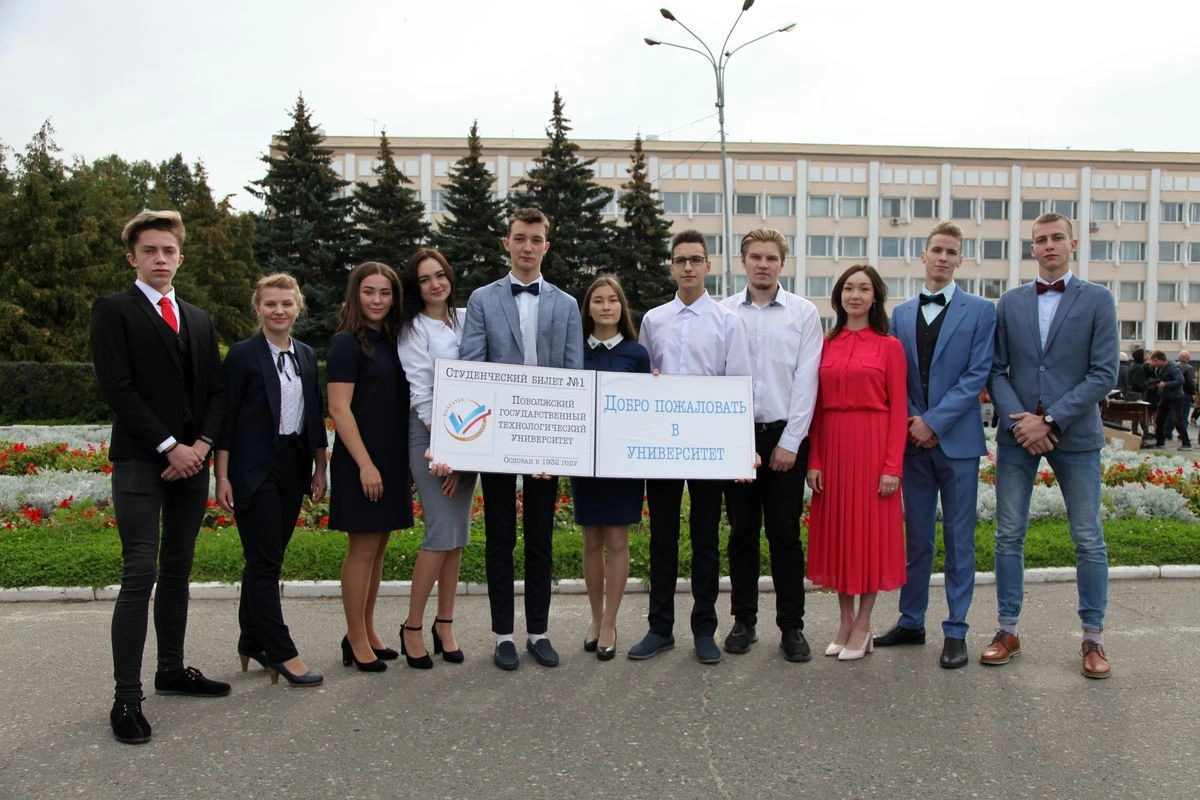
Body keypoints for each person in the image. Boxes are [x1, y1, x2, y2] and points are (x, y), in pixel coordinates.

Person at [90, 210, 228, 744]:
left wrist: (200, 447)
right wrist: (170, 446)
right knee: (139, 572)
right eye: (150, 251)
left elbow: (215, 392)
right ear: (133, 258)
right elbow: (118, 388)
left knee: (178, 569)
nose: (160, 259)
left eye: (169, 251)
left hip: (192, 462)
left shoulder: (197, 318)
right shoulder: (114, 311)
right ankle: (126, 698)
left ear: (181, 258)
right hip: (140, 460)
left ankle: (171, 669)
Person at [985, 212, 1119, 679]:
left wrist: (1050, 420)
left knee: (1087, 537)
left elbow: (1104, 373)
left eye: (1057, 237)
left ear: (1073, 244)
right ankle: (1007, 630)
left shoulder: (1098, 299)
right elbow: (996, 370)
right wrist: (1023, 422)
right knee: (1008, 535)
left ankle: (1093, 637)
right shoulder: (1010, 303)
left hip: (1075, 435)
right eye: (1040, 239)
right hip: (1018, 435)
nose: (1048, 245)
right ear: (1032, 248)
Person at [459, 208, 584, 671]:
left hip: (545, 437)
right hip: (498, 436)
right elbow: (472, 367)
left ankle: (538, 632)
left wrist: (562, 445)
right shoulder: (482, 299)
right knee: (499, 538)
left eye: (535, 239)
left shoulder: (566, 304)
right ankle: (503, 635)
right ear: (507, 244)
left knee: (539, 539)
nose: (527, 246)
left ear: (546, 246)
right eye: (519, 238)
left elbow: (572, 375)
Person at [874, 222, 995, 669]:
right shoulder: (902, 314)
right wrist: (914, 421)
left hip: (957, 443)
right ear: (923, 256)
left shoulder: (981, 311)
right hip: (912, 441)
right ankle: (911, 621)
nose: (943, 257)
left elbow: (977, 374)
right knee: (917, 538)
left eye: (951, 251)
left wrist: (934, 422)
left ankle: (956, 630)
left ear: (960, 260)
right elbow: (895, 375)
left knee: (960, 540)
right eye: (936, 250)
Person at [629, 230, 752, 665]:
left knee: (705, 540)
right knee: (662, 538)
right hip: (663, 446)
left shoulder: (728, 322)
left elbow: (739, 386)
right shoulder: (654, 320)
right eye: (680, 259)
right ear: (671, 266)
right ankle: (660, 628)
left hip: (707, 446)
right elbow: (642, 380)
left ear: (708, 266)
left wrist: (740, 449)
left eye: (695, 259)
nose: (687, 267)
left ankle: (704, 629)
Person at [214, 273, 327, 687]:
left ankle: (251, 639)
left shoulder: (306, 355)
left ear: (298, 308)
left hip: (292, 467)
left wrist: (320, 467)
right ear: (258, 307)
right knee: (264, 562)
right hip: (252, 469)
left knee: (268, 557)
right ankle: (281, 650)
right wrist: (222, 475)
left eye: (286, 304)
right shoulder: (242, 356)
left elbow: (314, 415)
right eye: (270, 304)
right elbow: (226, 420)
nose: (279, 311)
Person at [719, 229, 822, 663]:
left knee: (784, 536)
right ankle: (743, 621)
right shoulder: (724, 312)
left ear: (782, 263)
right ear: (743, 261)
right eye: (756, 257)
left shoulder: (803, 313)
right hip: (736, 437)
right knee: (742, 534)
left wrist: (790, 441)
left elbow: (807, 380)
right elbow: (716, 375)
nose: (763, 264)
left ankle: (791, 626)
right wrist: (732, 440)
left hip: (784, 438)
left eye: (771, 258)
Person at [805, 264, 907, 661]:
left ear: (875, 297)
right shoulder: (825, 343)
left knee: (868, 538)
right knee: (839, 536)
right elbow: (815, 407)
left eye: (864, 289)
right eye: (849, 288)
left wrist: (892, 466)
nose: (855, 295)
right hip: (833, 448)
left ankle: (864, 624)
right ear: (839, 296)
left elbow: (899, 411)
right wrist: (814, 458)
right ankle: (845, 622)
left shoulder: (889, 347)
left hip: (873, 448)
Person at [327, 261, 413, 673]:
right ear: (355, 295)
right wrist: (365, 465)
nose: (377, 300)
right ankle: (355, 638)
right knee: (361, 549)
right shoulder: (346, 343)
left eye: (385, 293)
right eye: (369, 292)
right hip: (362, 460)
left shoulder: (393, 341)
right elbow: (339, 409)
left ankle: (367, 629)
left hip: (391, 458)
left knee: (378, 549)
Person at [397, 248, 477, 668]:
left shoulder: (466, 318)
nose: (435, 284)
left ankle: (445, 623)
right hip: (430, 435)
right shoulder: (413, 329)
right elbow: (422, 392)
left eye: (440, 275)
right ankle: (412, 625)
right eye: (425, 279)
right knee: (439, 533)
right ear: (416, 287)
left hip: (471, 432)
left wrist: (465, 450)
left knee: (457, 535)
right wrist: (446, 448)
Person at [570, 276, 651, 661]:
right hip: (586, 458)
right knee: (591, 541)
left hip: (623, 460)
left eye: (612, 300)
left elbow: (647, 406)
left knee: (617, 540)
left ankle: (610, 623)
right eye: (598, 300)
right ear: (588, 308)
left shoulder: (637, 354)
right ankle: (595, 616)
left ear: (622, 307)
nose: (606, 306)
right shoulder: (574, 351)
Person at [1148, 351, 1192, 452]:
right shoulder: (1159, 368)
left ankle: (1186, 443)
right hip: (1165, 396)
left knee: (1177, 420)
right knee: (1159, 419)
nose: (1154, 363)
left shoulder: (1173, 367)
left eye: (1155, 361)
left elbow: (1181, 380)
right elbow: (1161, 379)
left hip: (1176, 397)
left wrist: (1166, 384)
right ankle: (1160, 441)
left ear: (1161, 359)